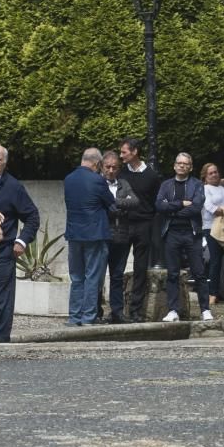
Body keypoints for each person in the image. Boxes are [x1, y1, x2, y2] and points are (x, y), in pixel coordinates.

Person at [0, 143, 39, 342]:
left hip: (2, 251)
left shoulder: (13, 187)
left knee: (1, 298)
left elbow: (32, 216)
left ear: (5, 164)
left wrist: (22, 241)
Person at [156, 152, 211, 322]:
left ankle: (205, 309)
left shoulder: (196, 184)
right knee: (172, 273)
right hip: (171, 233)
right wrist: (180, 204)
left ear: (191, 167)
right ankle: (173, 310)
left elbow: (196, 207)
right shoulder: (166, 185)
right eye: (179, 163)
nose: (181, 166)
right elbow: (159, 205)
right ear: (174, 166)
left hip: (192, 233)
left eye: (185, 164)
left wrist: (172, 211)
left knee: (199, 273)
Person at [63, 148, 115, 327]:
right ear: (97, 163)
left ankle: (74, 317)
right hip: (95, 234)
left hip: (74, 234)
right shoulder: (98, 180)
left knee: (76, 277)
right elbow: (111, 203)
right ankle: (88, 318)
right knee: (92, 277)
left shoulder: (68, 179)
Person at [118, 138, 163, 322]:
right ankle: (117, 309)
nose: (121, 155)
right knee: (117, 266)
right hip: (123, 223)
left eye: (124, 152)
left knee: (140, 268)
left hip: (144, 224)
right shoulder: (121, 174)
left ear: (134, 151)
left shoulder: (152, 176)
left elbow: (156, 202)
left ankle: (136, 309)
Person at [99, 150, 139, 324]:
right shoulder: (98, 183)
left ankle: (117, 312)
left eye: (114, 167)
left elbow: (135, 202)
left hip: (122, 236)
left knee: (117, 276)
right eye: (107, 167)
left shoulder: (123, 183)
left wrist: (114, 203)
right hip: (102, 236)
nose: (111, 170)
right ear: (101, 166)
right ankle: (95, 311)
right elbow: (98, 204)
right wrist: (118, 205)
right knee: (98, 276)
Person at [200, 162, 224, 307]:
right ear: (205, 176)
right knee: (215, 262)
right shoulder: (204, 189)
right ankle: (213, 293)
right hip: (212, 228)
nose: (214, 175)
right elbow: (210, 207)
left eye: (216, 172)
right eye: (211, 173)